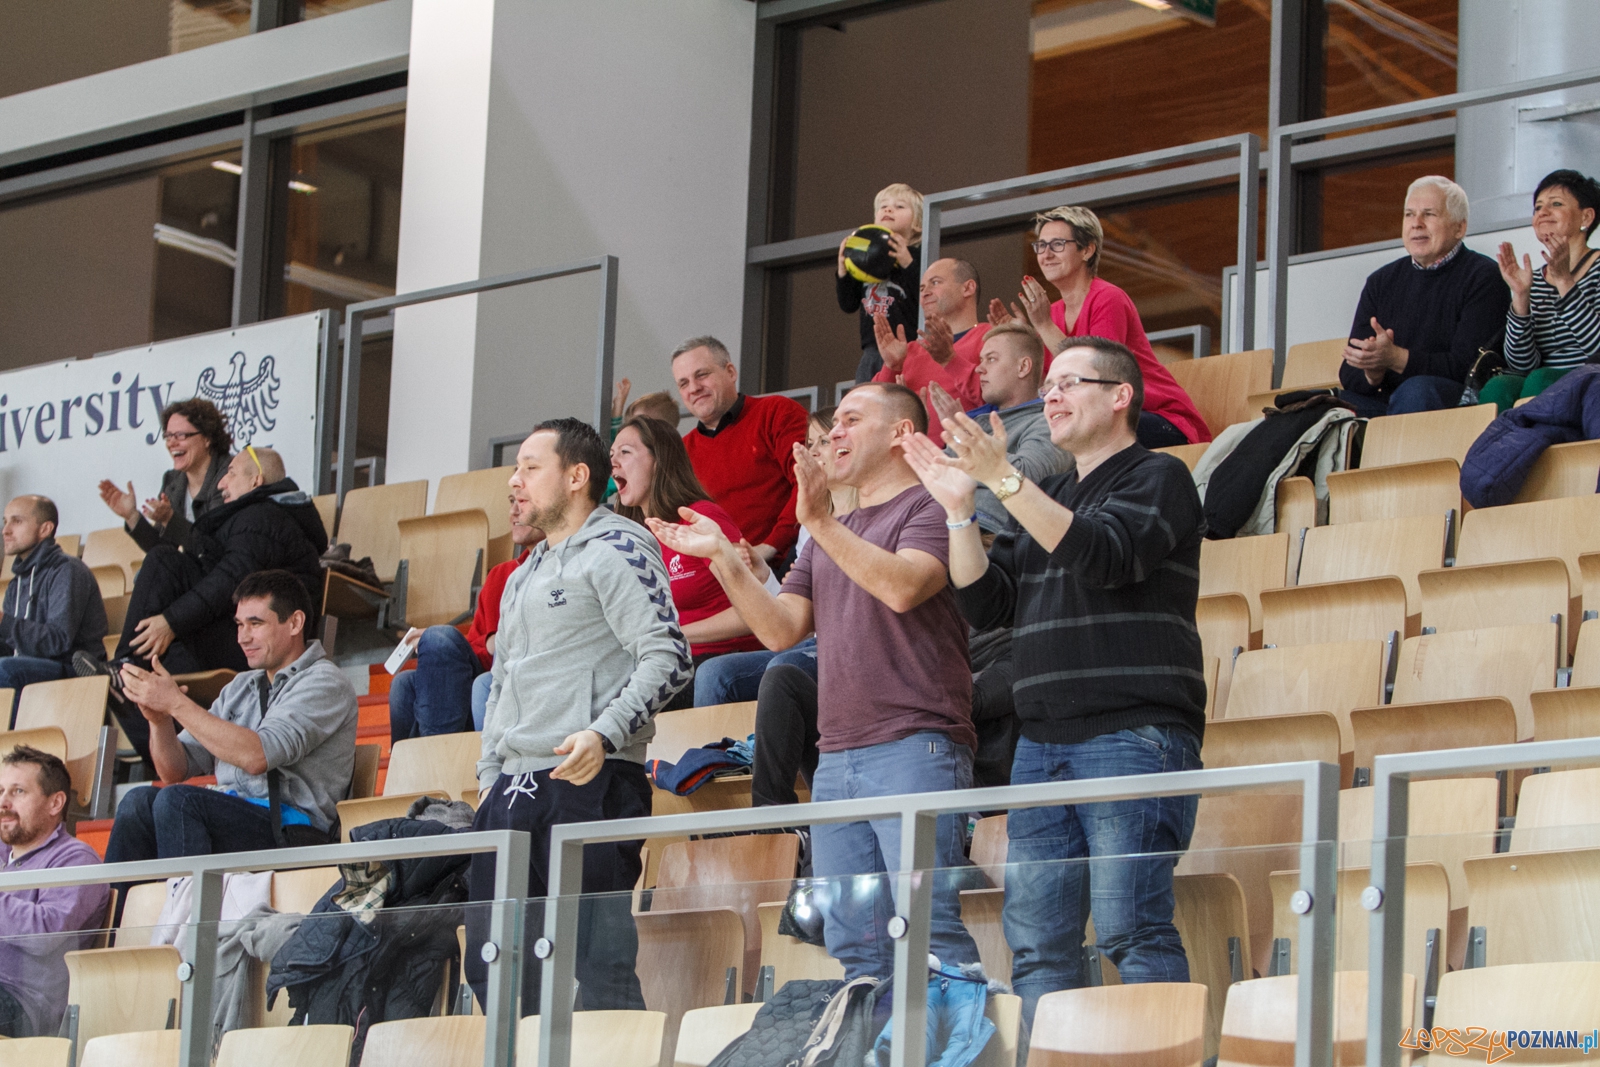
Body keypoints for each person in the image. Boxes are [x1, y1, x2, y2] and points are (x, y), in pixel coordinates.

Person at [903, 336, 1206, 1034]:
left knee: (1132, 929)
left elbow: (1104, 555)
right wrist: (960, 510)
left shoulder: (1159, 475)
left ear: (1121, 395)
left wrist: (1005, 479)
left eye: (1071, 382)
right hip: (1040, 746)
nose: (1052, 396)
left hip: (1132, 734)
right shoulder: (1051, 495)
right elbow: (987, 603)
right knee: (1038, 947)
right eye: (1049, 387)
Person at [652, 382, 981, 979]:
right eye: (835, 425)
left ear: (902, 433)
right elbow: (780, 629)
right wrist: (723, 558)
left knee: (929, 930)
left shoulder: (930, 506)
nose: (835, 434)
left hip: (916, 744)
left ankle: (951, 1032)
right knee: (855, 944)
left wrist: (820, 521)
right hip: (836, 758)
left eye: (852, 420)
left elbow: (903, 587)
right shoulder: (832, 529)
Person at [464, 418, 691, 1014]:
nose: (514, 481)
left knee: (597, 966)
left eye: (530, 467)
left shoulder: (618, 546)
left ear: (576, 476)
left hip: (592, 780)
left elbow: (669, 656)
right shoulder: (520, 574)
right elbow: (501, 684)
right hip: (510, 790)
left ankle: (616, 1054)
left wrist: (603, 734)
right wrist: (488, 777)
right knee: (494, 969)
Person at [79, 447, 328, 762]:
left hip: (260, 644)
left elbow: (228, 580)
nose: (221, 483)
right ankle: (129, 674)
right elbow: (193, 564)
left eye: (231, 473)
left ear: (256, 481)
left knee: (162, 651)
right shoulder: (253, 518)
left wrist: (171, 621)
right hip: (233, 631)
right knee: (163, 563)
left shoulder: (263, 518)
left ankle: (133, 684)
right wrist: (135, 519)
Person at [103, 569, 358, 862]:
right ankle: (126, 896)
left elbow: (257, 757)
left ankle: (185, 894)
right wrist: (159, 721)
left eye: (255, 624)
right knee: (136, 803)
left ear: (295, 623)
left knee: (180, 801)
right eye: (239, 625)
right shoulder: (240, 686)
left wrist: (176, 704)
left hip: (293, 831)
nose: (242, 637)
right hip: (233, 815)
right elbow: (173, 771)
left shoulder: (325, 681)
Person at [996, 206, 1210, 447]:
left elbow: (1098, 375)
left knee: (1076, 426)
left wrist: (1043, 326)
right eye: (1041, 246)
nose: (1046, 254)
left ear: (1087, 250)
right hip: (1097, 421)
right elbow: (1042, 388)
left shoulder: (1108, 298)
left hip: (1160, 419)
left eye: (1057, 244)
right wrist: (1021, 340)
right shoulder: (1051, 313)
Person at [689, 407, 856, 707]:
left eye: (823, 441)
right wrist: (763, 575)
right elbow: (790, 620)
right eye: (809, 442)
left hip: (851, 642)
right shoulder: (809, 524)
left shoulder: (870, 511)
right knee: (713, 673)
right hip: (813, 640)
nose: (812, 452)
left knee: (781, 667)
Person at [612, 415, 763, 709]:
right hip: (667, 659)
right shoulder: (633, 538)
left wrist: (672, 633)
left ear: (659, 461)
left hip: (725, 659)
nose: (614, 463)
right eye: (612, 455)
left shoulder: (700, 518)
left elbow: (752, 612)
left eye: (625, 453)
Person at [1336, 176, 1510, 417]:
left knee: (1416, 392)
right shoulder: (1380, 281)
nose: (1416, 224)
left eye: (1429, 214)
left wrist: (1396, 358)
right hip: (1384, 403)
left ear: (1459, 228)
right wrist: (1373, 372)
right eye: (1409, 214)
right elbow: (1349, 371)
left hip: (1450, 403)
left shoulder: (1484, 277)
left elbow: (1468, 368)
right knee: (1313, 403)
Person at [389, 496, 544, 742]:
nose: (514, 511)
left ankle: (434, 754)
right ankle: (421, 759)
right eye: (511, 501)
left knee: (440, 640)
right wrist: (486, 643)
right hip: (479, 681)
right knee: (404, 683)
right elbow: (475, 650)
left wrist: (495, 642)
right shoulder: (500, 574)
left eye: (524, 501)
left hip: (521, 681)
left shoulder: (562, 569)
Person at [0, 745, 110, 1038]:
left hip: (24, 1004)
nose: (4, 802)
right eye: (0, 791)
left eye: (18, 791)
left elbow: (46, 933)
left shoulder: (77, 859)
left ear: (55, 803)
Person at [674, 337, 809, 564]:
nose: (694, 388)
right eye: (683, 383)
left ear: (730, 372)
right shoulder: (681, 450)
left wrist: (770, 546)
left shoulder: (776, 412)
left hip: (781, 563)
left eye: (702, 375)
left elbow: (809, 483)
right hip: (714, 573)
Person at [932, 321, 1074, 535]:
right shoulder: (980, 423)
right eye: (981, 360)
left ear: (1023, 367)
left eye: (991, 359)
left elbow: (1028, 476)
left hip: (989, 534)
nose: (979, 368)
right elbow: (938, 473)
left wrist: (965, 436)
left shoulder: (1048, 421)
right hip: (939, 524)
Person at [1491, 169, 1600, 411]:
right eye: (1538, 207)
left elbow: (1598, 348)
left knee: (1541, 380)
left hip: (1592, 384)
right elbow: (1522, 365)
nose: (1542, 212)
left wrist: (1564, 282)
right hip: (1540, 381)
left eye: (1556, 204)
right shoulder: (1535, 279)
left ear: (1586, 217)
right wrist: (1521, 296)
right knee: (1499, 386)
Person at [0, 495, 108, 720]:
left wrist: (3, 622)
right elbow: (10, 647)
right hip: (29, 667)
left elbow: (58, 641)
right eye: (5, 521)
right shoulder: (15, 585)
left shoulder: (67, 570)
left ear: (45, 529)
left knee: (5, 670)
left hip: (72, 670)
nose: (5, 530)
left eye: (16, 521)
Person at [872, 258, 989, 444]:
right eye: (921, 288)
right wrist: (891, 367)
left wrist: (950, 360)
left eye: (935, 283)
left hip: (968, 453)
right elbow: (871, 412)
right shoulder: (908, 351)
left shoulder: (990, 337)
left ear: (968, 288)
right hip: (909, 458)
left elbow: (1001, 396)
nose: (925, 293)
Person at [97, 399, 232, 552]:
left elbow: (213, 548)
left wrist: (170, 519)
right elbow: (161, 553)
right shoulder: (172, 481)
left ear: (207, 438)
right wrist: (132, 516)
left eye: (180, 435)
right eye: (168, 436)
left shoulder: (230, 475)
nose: (171, 443)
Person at [838, 182, 924, 383]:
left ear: (917, 224)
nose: (888, 209)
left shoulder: (918, 255)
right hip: (872, 350)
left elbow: (924, 294)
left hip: (909, 347)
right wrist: (843, 270)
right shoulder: (865, 256)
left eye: (899, 206)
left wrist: (908, 262)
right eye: (883, 206)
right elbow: (848, 304)